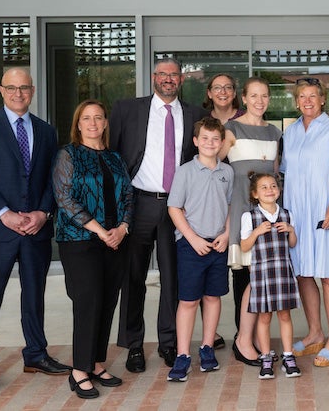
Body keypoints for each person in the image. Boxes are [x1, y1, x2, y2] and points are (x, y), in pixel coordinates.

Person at [0, 68, 70, 400]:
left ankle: (36, 354)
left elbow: (56, 177)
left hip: (35, 228)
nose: (18, 93)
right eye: (12, 88)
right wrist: (4, 214)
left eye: (24, 88)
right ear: (1, 90)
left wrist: (43, 211)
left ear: (33, 91)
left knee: (34, 295)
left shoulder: (46, 131)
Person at [110, 57, 209, 373]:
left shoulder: (195, 114)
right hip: (137, 204)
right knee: (133, 277)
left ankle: (169, 343)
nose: (168, 79)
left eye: (174, 74)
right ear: (153, 77)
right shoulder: (128, 109)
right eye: (163, 74)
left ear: (181, 80)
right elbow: (112, 157)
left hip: (176, 208)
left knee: (172, 279)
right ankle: (134, 345)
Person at [52, 99, 133, 398]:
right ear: (78, 123)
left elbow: (128, 195)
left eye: (98, 117)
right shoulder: (67, 154)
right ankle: (79, 370)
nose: (93, 123)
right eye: (86, 118)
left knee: (108, 300)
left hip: (114, 239)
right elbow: (64, 198)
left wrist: (123, 228)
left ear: (105, 123)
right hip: (79, 239)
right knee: (88, 301)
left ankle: (97, 362)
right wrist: (99, 230)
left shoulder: (114, 158)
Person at [280, 77, 329, 368]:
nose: (307, 100)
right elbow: (286, 172)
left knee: (328, 275)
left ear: (322, 99)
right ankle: (315, 333)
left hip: (326, 211)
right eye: (302, 96)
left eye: (313, 95)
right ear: (297, 101)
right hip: (297, 213)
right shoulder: (290, 132)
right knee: (303, 273)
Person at [218, 77, 282, 366]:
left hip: (266, 217)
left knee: (262, 281)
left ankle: (255, 339)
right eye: (254, 95)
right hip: (241, 215)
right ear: (243, 98)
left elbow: (277, 176)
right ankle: (242, 341)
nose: (259, 100)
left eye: (264, 95)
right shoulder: (231, 129)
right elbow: (214, 169)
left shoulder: (275, 133)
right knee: (245, 279)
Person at [166, 116, 233, 382]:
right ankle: (183, 354)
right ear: (195, 141)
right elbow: (174, 208)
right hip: (191, 245)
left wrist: (227, 234)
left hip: (218, 244)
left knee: (213, 297)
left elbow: (229, 207)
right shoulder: (185, 171)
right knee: (189, 300)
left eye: (215, 139)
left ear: (222, 142)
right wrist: (192, 238)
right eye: (204, 138)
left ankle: (207, 347)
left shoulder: (227, 172)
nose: (210, 143)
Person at [240, 172, 301, 380]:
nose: (270, 190)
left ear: (279, 190)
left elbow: (292, 244)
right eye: (264, 187)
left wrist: (291, 230)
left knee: (285, 315)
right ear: (255, 194)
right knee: (264, 316)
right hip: (262, 273)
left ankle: (288, 356)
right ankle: (266, 357)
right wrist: (256, 232)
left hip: (283, 271)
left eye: (273, 186)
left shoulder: (287, 214)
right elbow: (244, 246)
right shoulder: (250, 217)